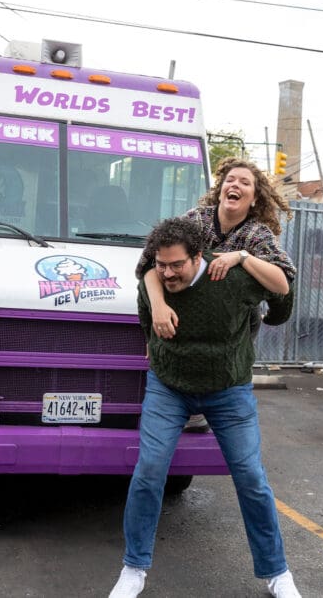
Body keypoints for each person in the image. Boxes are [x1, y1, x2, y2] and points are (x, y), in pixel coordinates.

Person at [109, 217, 302, 598]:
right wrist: (156, 314)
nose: (167, 273)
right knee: (149, 471)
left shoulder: (229, 278)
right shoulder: (156, 279)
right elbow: (146, 295)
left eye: (176, 265)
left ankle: (276, 572)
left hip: (228, 389)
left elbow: (282, 291)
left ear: (200, 256)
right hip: (169, 387)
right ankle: (134, 567)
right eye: (161, 265)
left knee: (250, 477)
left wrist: (245, 258)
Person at [135, 157, 296, 431]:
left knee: (246, 321)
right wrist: (159, 306)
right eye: (230, 180)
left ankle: (216, 400)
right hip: (184, 308)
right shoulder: (196, 220)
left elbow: (282, 283)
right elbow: (150, 267)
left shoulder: (257, 234)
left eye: (245, 183)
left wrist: (242, 257)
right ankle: (183, 401)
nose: (235, 185)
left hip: (229, 319)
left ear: (255, 197)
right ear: (220, 189)